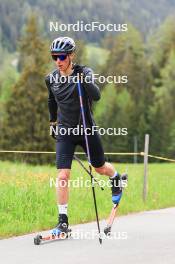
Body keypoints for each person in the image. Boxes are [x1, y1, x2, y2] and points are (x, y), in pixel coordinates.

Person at [45, 36, 127, 234]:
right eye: (54, 56)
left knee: (99, 167)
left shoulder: (85, 72)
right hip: (65, 131)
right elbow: (51, 100)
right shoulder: (51, 79)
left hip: (86, 129)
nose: (58, 61)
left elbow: (96, 96)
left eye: (62, 56)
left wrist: (82, 78)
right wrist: (53, 122)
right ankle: (62, 221)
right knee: (63, 175)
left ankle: (116, 179)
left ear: (71, 55)